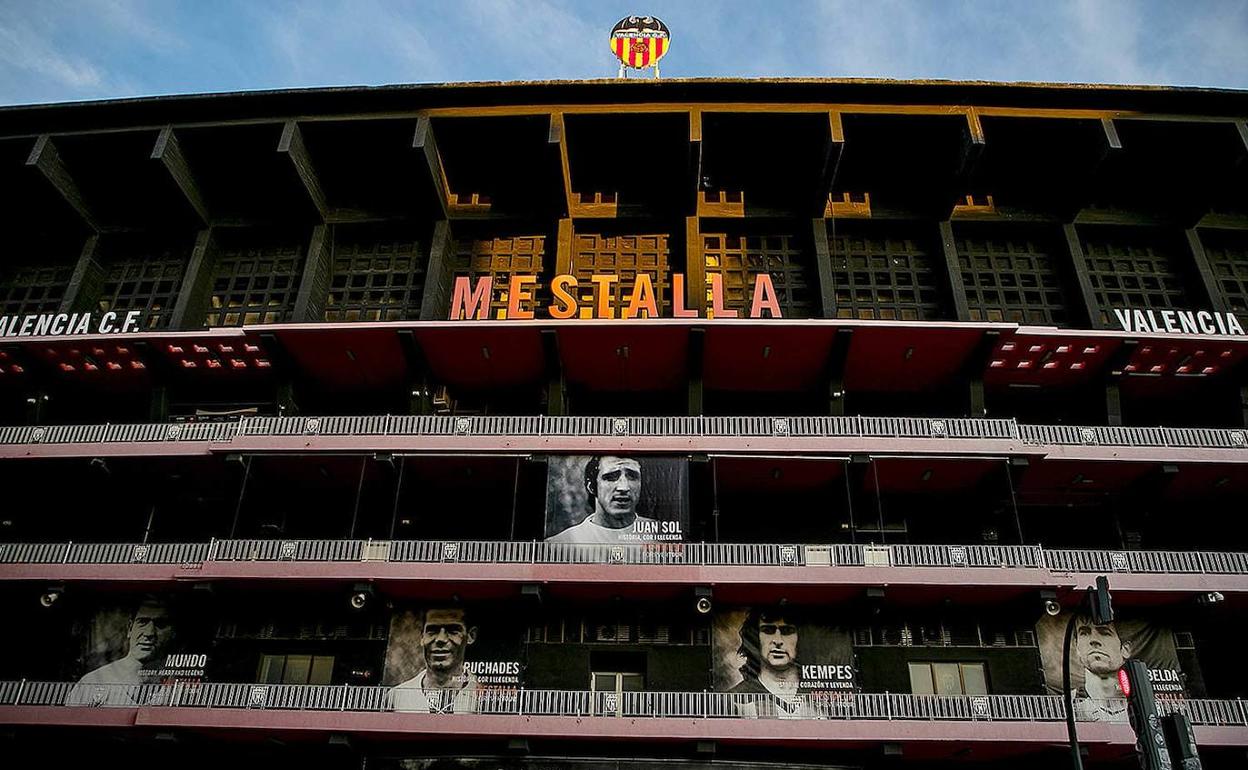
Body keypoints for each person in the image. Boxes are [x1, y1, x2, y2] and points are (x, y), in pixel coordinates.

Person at [67, 596, 177, 706]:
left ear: (172, 633)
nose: (149, 633)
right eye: (142, 622)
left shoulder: (179, 686)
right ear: (130, 628)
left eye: (160, 624)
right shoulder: (92, 682)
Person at [546, 456, 659, 544]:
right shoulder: (560, 543)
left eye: (632, 477)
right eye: (610, 477)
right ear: (591, 487)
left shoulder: (661, 534)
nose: (624, 487)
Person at [728, 607, 816, 718]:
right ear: (755, 638)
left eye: (787, 631)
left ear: (801, 638)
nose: (778, 641)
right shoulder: (734, 699)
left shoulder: (820, 694)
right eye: (768, 630)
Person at [391, 607, 481, 713]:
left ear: (471, 636)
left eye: (453, 631)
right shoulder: (397, 696)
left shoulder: (484, 695)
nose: (440, 639)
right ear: (422, 637)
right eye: (432, 631)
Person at [1070, 615, 1131, 723]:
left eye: (1104, 632)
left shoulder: (1142, 704)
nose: (1093, 640)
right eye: (1084, 632)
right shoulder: (1067, 703)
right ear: (1077, 647)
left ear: (1125, 649)